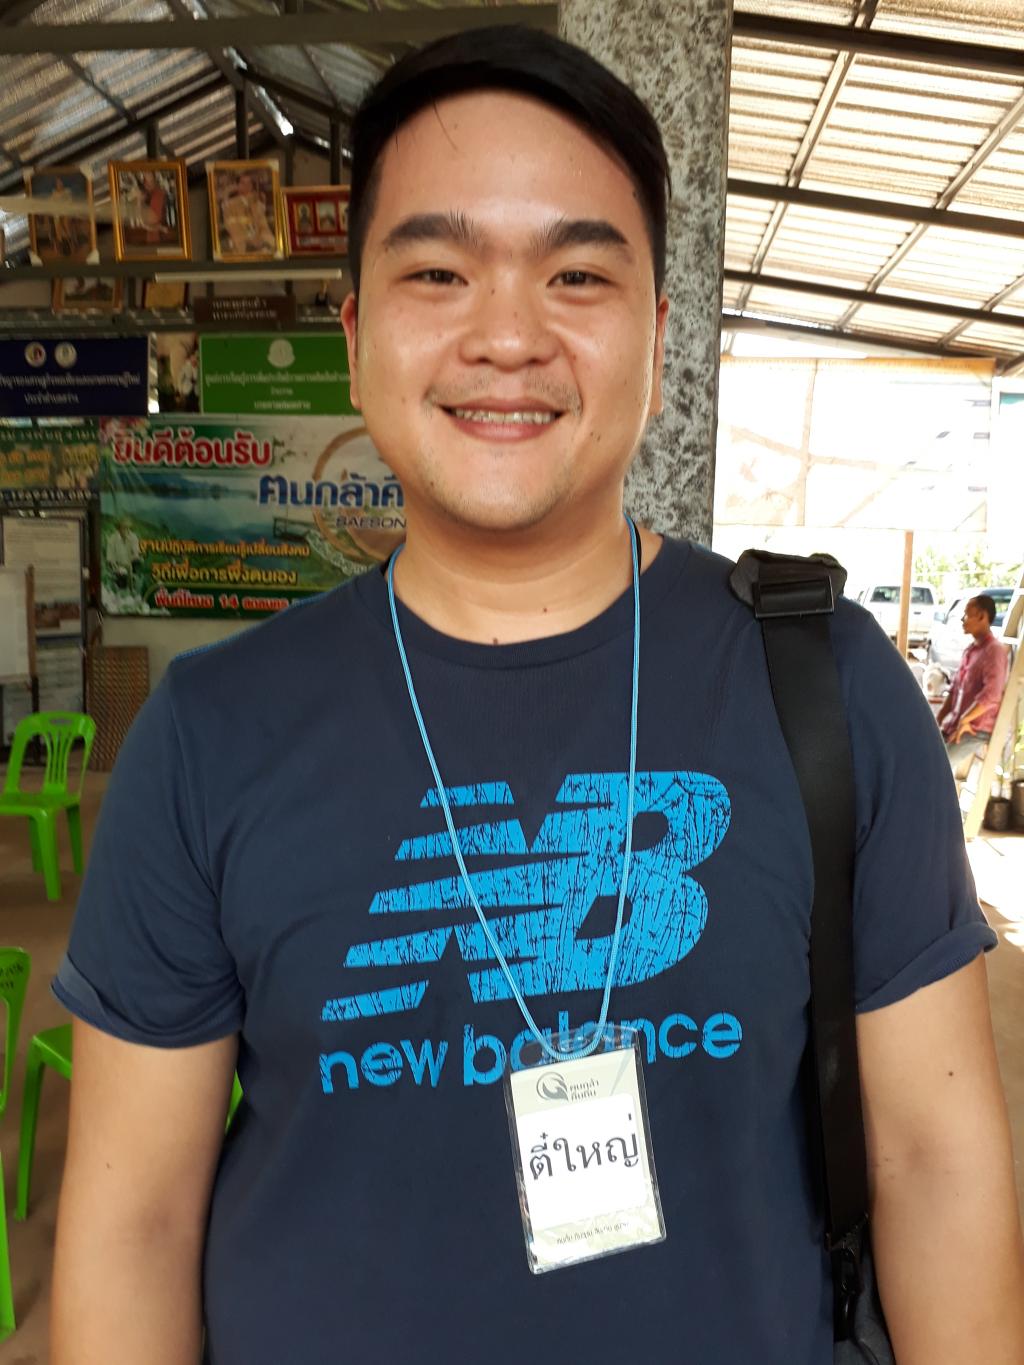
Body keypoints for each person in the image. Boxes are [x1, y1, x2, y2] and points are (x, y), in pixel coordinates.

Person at [50, 25, 1024, 1365]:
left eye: (576, 274)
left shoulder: (828, 683)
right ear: (354, 333)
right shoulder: (210, 734)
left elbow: (932, 1158)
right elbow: (135, 1223)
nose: (507, 337)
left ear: (659, 340)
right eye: (436, 272)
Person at [937, 594, 1010, 777]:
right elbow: (954, 690)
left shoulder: (994, 651)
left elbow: (992, 695)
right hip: (956, 726)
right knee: (920, 753)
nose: (963, 620)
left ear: (982, 617)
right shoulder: (971, 650)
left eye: (967, 615)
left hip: (975, 730)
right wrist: (938, 719)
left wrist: (965, 720)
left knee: (937, 768)